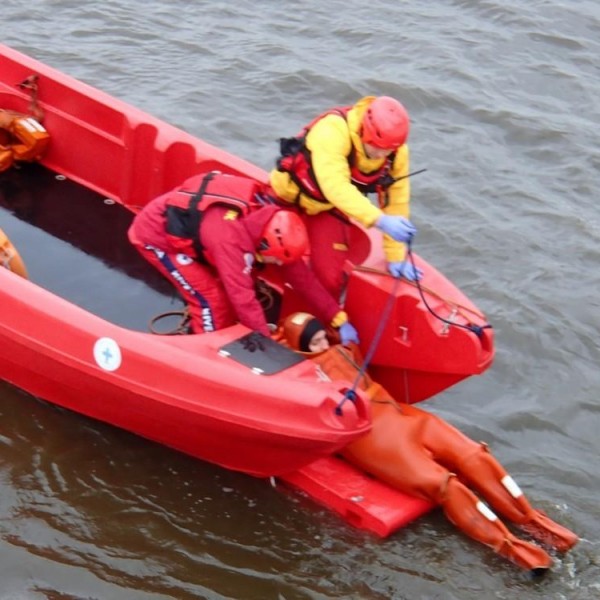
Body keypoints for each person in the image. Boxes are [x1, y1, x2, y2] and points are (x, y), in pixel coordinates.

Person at [278, 312, 579, 574]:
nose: (322, 346)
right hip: (371, 436)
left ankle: (530, 519)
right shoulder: (302, 374)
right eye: (314, 343)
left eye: (322, 339)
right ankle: (510, 547)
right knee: (444, 485)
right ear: (299, 348)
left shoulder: (342, 348)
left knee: (472, 454)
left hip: (401, 416)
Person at [127, 171, 359, 342]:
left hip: (202, 232)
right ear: (266, 246)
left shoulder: (272, 222)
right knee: (211, 299)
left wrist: (338, 318)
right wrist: (267, 343)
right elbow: (242, 298)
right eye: (277, 260)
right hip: (155, 237)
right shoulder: (230, 241)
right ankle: (207, 351)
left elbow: (303, 279)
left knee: (228, 291)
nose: (279, 265)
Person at [268, 95, 422, 299]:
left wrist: (396, 254)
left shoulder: (396, 153)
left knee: (330, 279)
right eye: (377, 148)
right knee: (268, 254)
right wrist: (380, 220)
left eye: (388, 151)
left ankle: (322, 319)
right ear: (365, 133)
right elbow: (335, 186)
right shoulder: (333, 131)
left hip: (326, 207)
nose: (381, 156)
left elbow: (397, 201)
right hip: (288, 197)